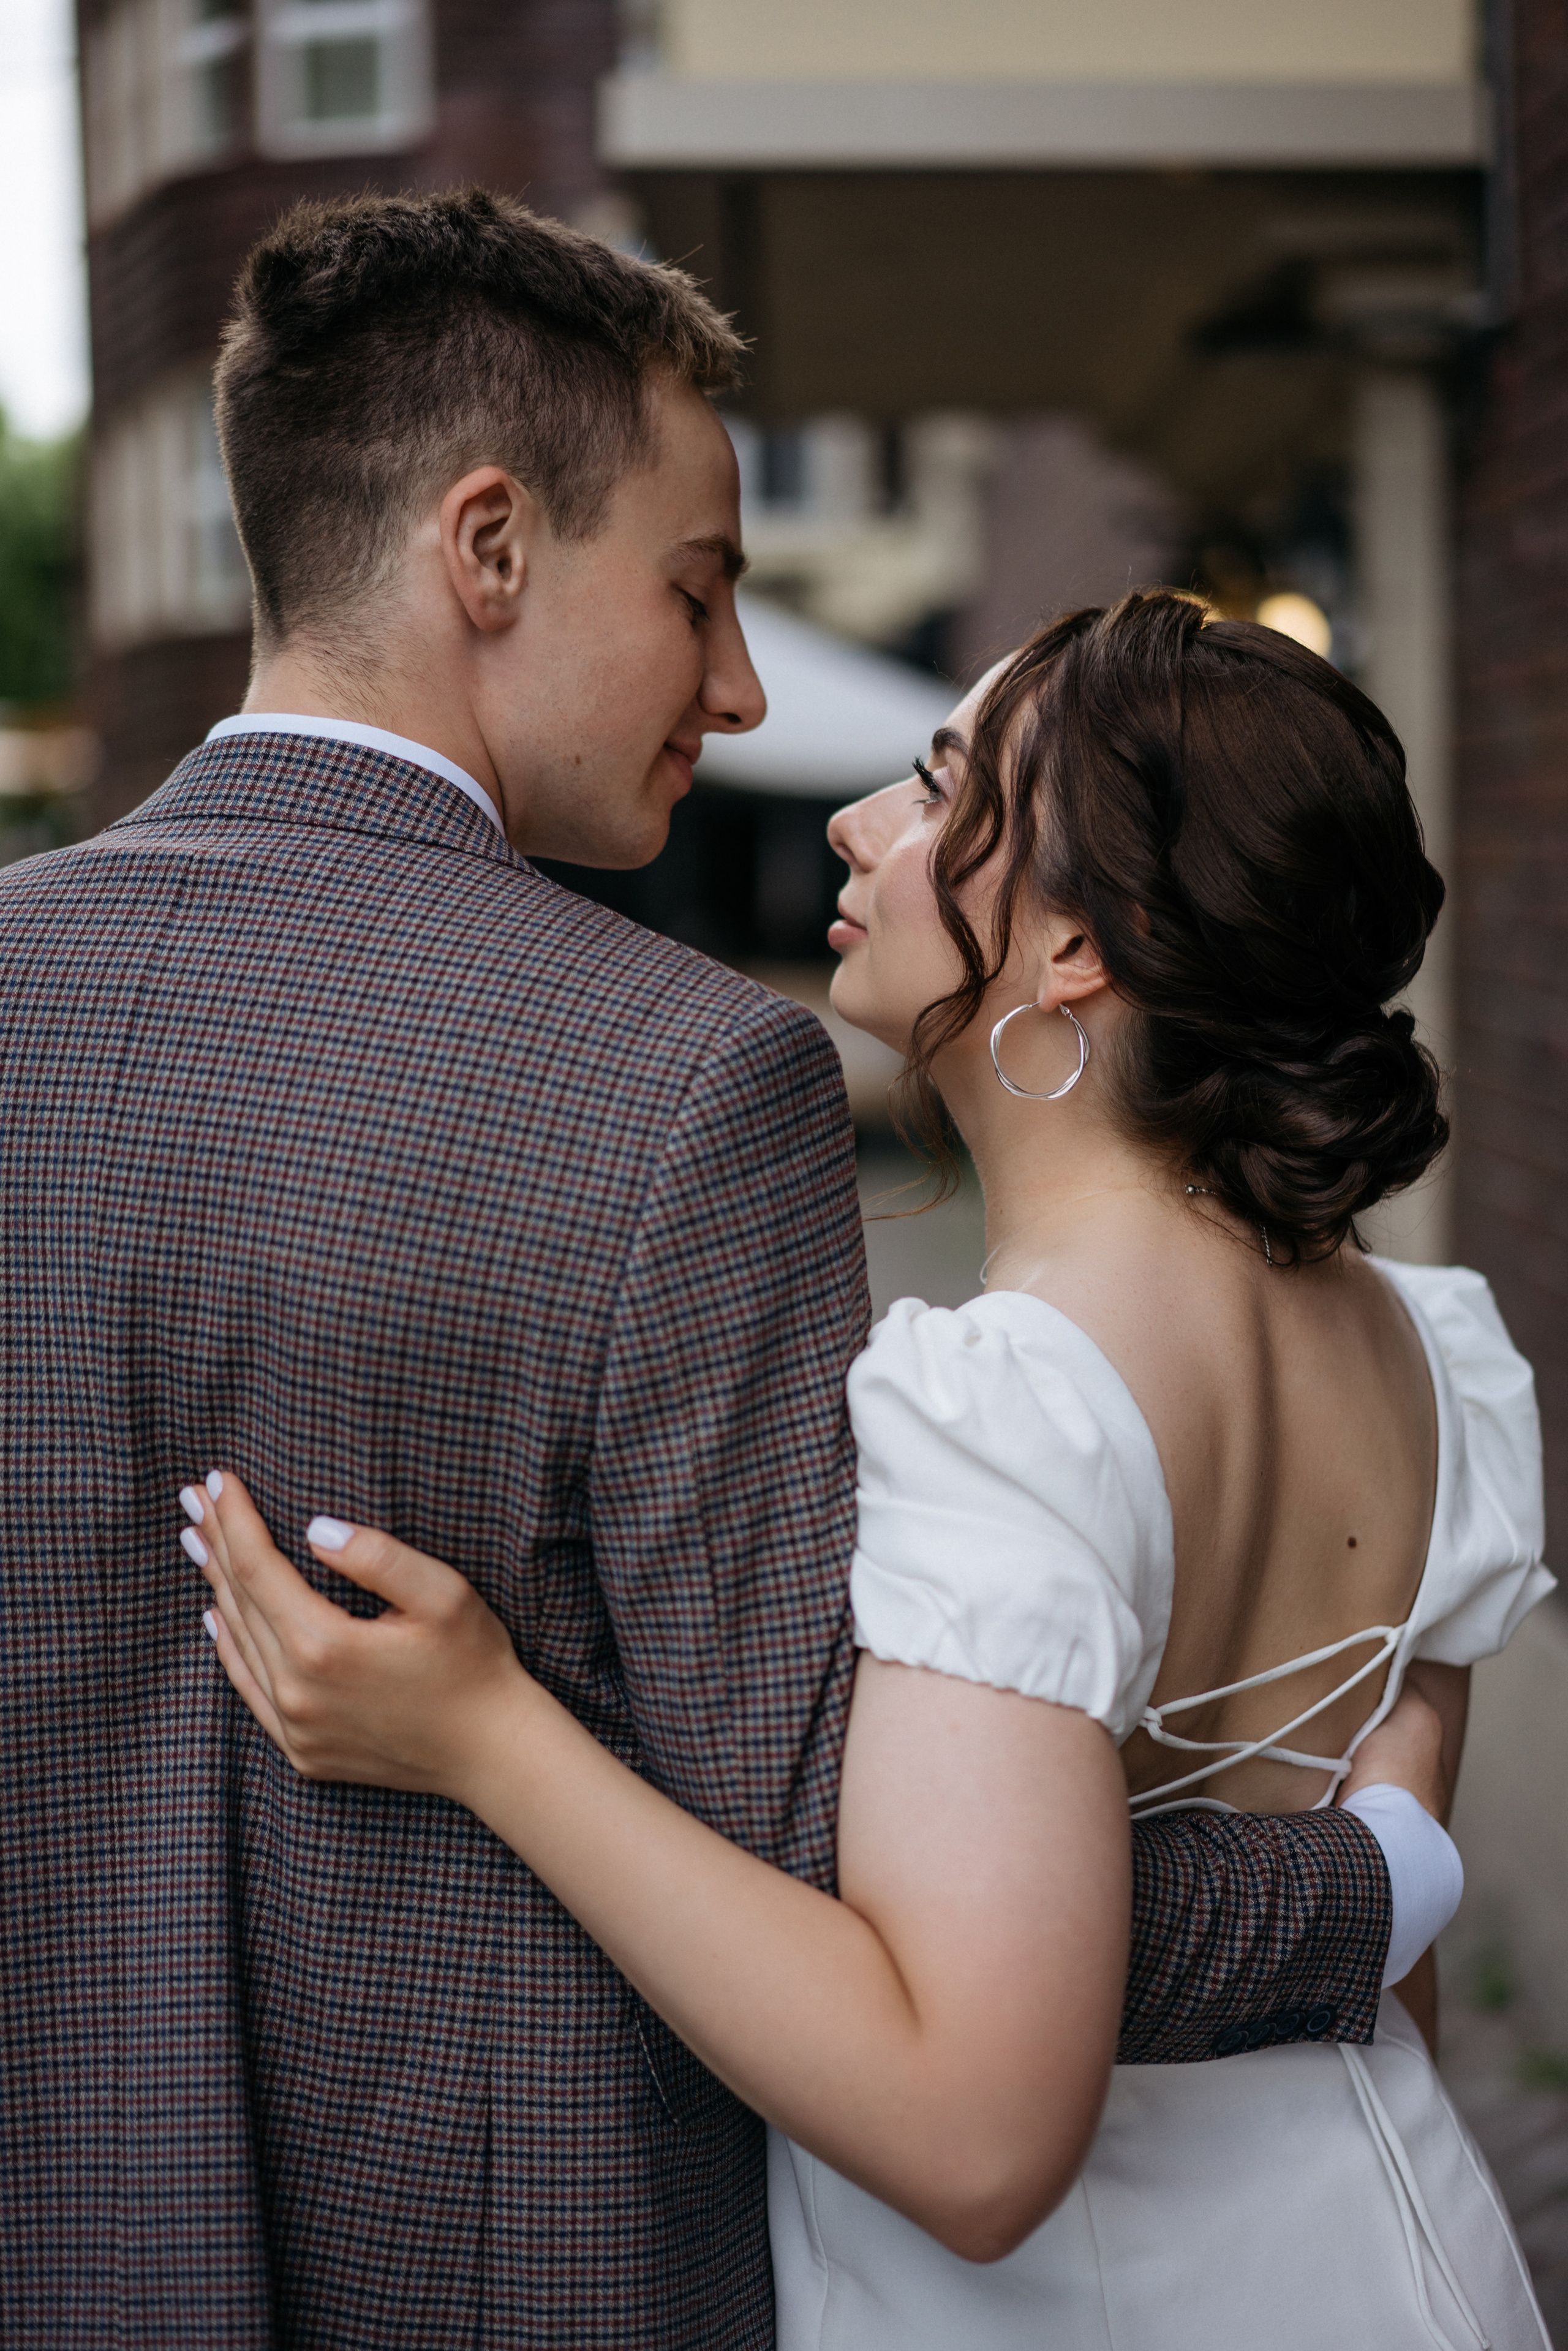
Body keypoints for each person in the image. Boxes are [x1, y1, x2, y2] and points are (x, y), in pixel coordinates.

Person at [0, 183, 1454, 2349]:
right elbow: (896, 1915)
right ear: (485, 550)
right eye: (698, 592)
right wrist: (1385, 1870)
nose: (751, 688)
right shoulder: (685, 1088)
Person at [188, 592, 1550, 2347]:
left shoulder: (1009, 1402)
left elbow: (976, 2137)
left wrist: (486, 1736)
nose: (860, 825)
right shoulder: (1447, 1357)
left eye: (935, 787)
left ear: (1077, 949)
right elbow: (1395, 1992)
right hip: (1393, 2248)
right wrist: (1393, 1870)